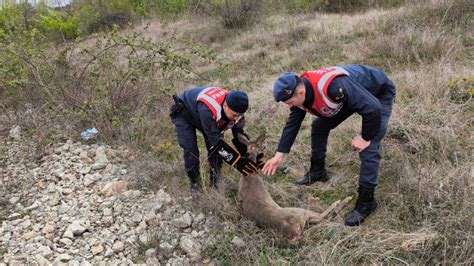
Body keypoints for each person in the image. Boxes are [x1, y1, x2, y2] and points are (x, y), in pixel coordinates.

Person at [262, 64, 396, 226]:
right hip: (350, 96)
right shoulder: (300, 95)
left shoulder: (333, 86)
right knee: (319, 126)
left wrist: (365, 137)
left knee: (368, 147)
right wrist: (279, 154)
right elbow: (293, 123)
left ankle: (367, 202)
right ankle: (318, 171)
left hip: (378, 93)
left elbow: (373, 108)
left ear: (301, 92)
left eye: (290, 102)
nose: (289, 106)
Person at [170, 86, 256, 192]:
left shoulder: (236, 107)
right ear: (225, 106)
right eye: (234, 115)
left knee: (215, 154)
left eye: (239, 116)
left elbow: (239, 136)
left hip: (204, 115)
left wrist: (246, 155)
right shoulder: (209, 109)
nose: (236, 118)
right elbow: (216, 143)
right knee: (191, 149)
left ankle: (215, 183)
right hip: (184, 111)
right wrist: (238, 163)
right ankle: (195, 185)